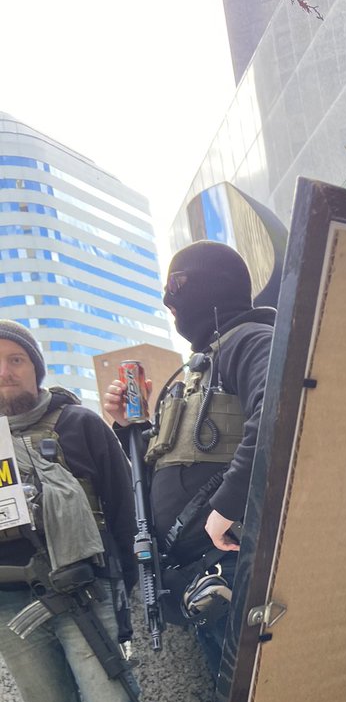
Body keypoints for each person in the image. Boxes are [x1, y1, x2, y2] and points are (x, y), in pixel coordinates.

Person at [0, 321, 191, 702]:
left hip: (87, 596)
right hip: (11, 607)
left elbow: (128, 509)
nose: (5, 373)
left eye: (14, 361)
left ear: (36, 367)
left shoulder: (79, 425)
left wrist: (128, 592)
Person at [103, 241, 276, 674]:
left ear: (211, 285)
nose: (169, 302)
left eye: (176, 287)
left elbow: (280, 408)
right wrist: (130, 427)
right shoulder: (196, 372)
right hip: (202, 577)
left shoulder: (251, 340)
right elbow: (162, 471)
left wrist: (227, 505)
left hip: (241, 562)